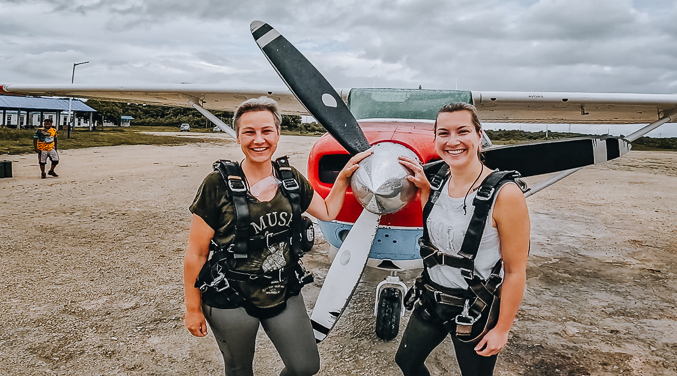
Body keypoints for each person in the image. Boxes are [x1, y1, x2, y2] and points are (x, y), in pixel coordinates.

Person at [183, 97, 370, 376]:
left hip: (281, 287)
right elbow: (196, 253)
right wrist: (192, 308)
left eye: (266, 131)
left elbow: (328, 211)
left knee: (305, 365)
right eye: (249, 132)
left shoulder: (290, 178)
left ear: (278, 134)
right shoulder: (217, 184)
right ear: (238, 137)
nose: (259, 139)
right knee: (238, 369)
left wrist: (342, 178)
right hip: (230, 294)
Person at [395, 102, 531, 376]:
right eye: (443, 133)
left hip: (475, 307)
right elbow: (439, 220)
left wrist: (502, 329)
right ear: (435, 139)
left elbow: (515, 271)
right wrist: (422, 188)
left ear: (479, 136)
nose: (452, 141)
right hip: (432, 298)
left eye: (462, 131)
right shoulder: (439, 182)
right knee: (407, 362)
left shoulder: (505, 194)